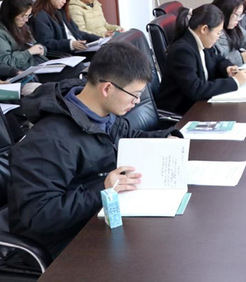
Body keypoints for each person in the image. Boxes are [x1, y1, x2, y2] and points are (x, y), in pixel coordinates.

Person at [8, 43, 183, 257]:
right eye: (134, 94)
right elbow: (40, 215)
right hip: (66, 242)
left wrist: (166, 138)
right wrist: (103, 188)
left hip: (101, 216)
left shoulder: (102, 112)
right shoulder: (48, 141)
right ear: (107, 88)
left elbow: (129, 137)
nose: (137, 102)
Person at [156, 4, 246, 114]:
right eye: (218, 33)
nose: (218, 37)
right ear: (204, 29)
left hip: (199, 104)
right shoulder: (182, 51)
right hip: (181, 111)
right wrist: (235, 82)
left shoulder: (201, 41)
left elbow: (218, 59)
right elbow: (195, 89)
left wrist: (227, 68)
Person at [31, 0, 99, 53]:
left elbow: (78, 33)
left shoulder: (61, 11)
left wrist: (99, 39)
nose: (64, 1)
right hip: (66, 53)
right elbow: (46, 43)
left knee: (105, 49)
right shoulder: (41, 16)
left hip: (79, 48)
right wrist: (71, 44)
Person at [0, 0, 47, 70]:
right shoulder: (2, 33)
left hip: (39, 65)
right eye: (23, 16)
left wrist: (42, 49)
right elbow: (7, 63)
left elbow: (34, 44)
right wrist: (29, 52)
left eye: (28, 15)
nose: (26, 20)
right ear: (10, 15)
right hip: (25, 71)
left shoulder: (23, 27)